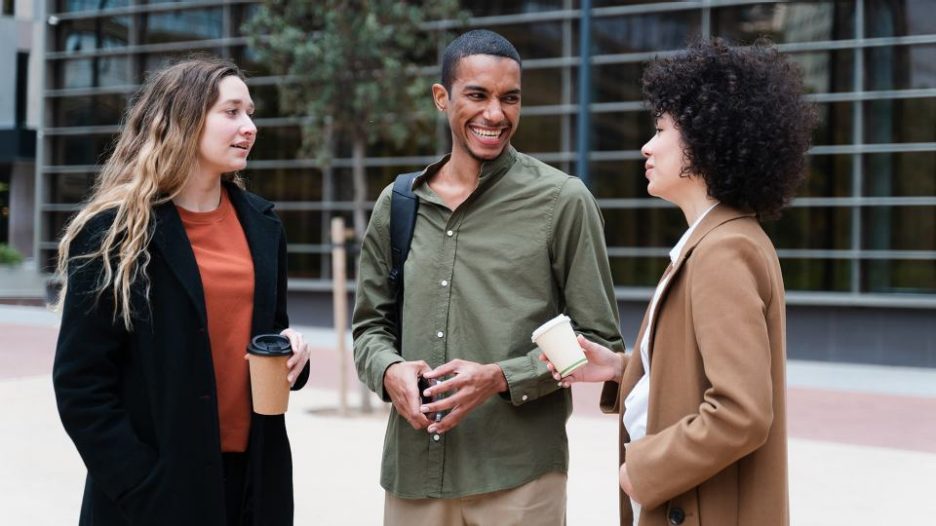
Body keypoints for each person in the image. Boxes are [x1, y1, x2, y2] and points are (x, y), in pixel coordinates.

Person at [352, 29, 624, 525]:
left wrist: (500, 377)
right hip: (415, 475)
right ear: (442, 98)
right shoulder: (398, 204)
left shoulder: (563, 201)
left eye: (510, 98)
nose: (495, 114)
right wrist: (389, 372)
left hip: (518, 476)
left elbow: (598, 340)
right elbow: (370, 329)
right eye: (477, 95)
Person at [542, 39, 816, 526]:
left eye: (662, 129)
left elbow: (741, 411)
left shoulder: (723, 251)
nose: (647, 145)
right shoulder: (718, 240)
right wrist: (621, 368)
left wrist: (641, 472)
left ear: (706, 140)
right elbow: (699, 372)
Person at [52, 58, 311, 526]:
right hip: (155, 490)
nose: (249, 127)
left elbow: (265, 334)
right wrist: (141, 487)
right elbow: (80, 384)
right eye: (231, 112)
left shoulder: (263, 225)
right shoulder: (113, 232)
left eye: (250, 112)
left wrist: (291, 352)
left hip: (253, 485)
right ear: (185, 119)